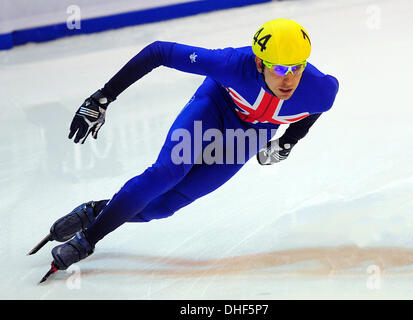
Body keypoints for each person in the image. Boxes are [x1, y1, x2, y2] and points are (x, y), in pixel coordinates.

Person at [42, 18, 339, 274]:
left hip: (251, 133)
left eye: (297, 68)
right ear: (260, 62)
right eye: (280, 69)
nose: (289, 80)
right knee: (166, 174)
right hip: (215, 106)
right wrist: (101, 99)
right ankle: (88, 240)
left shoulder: (321, 90)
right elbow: (159, 51)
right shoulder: (232, 64)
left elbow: (312, 113)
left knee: (165, 205)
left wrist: (286, 143)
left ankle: (96, 211)